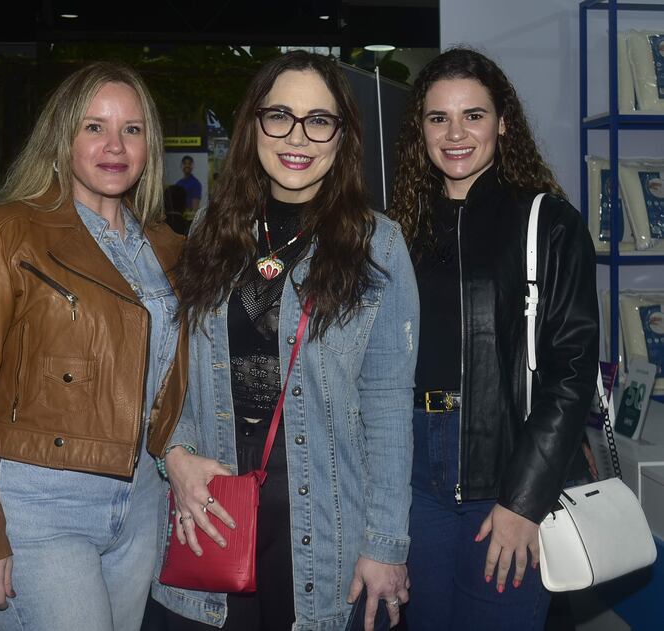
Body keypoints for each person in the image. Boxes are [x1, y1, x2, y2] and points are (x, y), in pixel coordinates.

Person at [151, 50, 418, 631]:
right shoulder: (211, 230)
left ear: (341, 135)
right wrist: (174, 455)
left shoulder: (381, 247)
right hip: (214, 509)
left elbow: (390, 408)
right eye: (280, 115)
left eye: (318, 119)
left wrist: (386, 544)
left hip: (325, 528)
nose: (298, 136)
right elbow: (175, 372)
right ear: (253, 125)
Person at [0, 61, 188, 631]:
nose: (114, 146)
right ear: (60, 138)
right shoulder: (8, 232)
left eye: (132, 129)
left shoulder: (168, 249)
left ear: (151, 146)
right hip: (39, 506)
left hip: (141, 502)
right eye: (93, 127)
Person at [388, 46, 599, 630]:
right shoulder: (397, 229)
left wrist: (524, 500)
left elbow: (572, 371)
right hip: (412, 477)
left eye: (473, 115)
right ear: (421, 131)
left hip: (504, 472)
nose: (456, 134)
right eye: (438, 118)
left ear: (503, 123)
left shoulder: (548, 221)